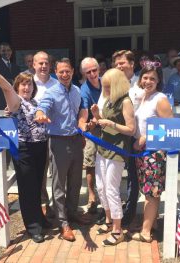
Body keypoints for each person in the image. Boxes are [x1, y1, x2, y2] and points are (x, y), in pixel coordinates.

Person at [0, 59, 50, 243]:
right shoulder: (16, 101)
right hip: (24, 149)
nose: (27, 87)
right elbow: (6, 88)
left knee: (36, 186)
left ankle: (40, 218)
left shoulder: (34, 101)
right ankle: (33, 227)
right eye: (23, 84)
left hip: (40, 147)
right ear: (17, 87)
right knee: (28, 188)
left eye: (29, 84)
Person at [35, 58, 90, 242]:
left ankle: (72, 212)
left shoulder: (76, 91)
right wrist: (40, 114)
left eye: (67, 71)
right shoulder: (51, 93)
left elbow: (82, 109)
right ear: (55, 73)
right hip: (58, 142)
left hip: (76, 141)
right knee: (59, 185)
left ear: (73, 71)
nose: (64, 75)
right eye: (61, 72)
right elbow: (43, 107)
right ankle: (63, 222)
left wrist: (82, 122)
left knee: (75, 181)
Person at [90, 68, 135, 246]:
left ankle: (118, 230)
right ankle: (109, 220)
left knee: (111, 189)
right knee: (100, 187)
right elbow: (105, 124)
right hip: (103, 147)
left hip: (117, 150)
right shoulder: (109, 100)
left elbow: (130, 130)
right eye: (104, 87)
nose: (105, 90)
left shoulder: (125, 102)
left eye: (108, 87)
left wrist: (111, 123)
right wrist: (97, 116)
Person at [132, 62, 173, 243]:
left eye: (153, 79)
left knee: (152, 193)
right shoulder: (143, 97)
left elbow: (169, 126)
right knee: (148, 191)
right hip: (143, 153)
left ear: (159, 81)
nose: (148, 81)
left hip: (154, 153)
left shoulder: (160, 99)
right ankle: (152, 224)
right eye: (146, 77)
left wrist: (145, 138)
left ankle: (145, 232)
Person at [112, 50, 143, 227]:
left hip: (134, 138)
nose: (119, 66)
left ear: (132, 64)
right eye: (116, 64)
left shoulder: (141, 85)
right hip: (116, 137)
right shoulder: (113, 85)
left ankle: (129, 213)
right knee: (113, 176)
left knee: (132, 176)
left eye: (122, 63)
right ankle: (113, 212)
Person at [33, 51, 58, 218]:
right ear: (33, 65)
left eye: (46, 63)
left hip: (55, 133)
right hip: (35, 136)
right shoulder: (27, 83)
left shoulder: (56, 84)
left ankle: (58, 205)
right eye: (40, 63)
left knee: (57, 171)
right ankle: (43, 202)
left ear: (50, 65)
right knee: (40, 170)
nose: (43, 66)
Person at [78, 57, 102, 214]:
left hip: (110, 127)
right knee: (90, 162)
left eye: (94, 70)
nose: (92, 74)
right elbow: (84, 112)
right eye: (88, 72)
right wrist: (85, 125)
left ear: (99, 69)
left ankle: (107, 195)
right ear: (84, 73)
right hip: (93, 129)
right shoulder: (84, 89)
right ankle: (92, 197)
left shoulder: (107, 82)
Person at [0, 42, 21, 110]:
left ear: (11, 52)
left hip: (15, 97)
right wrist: (11, 81)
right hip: (2, 98)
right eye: (3, 51)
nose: (6, 53)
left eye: (8, 50)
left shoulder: (16, 67)